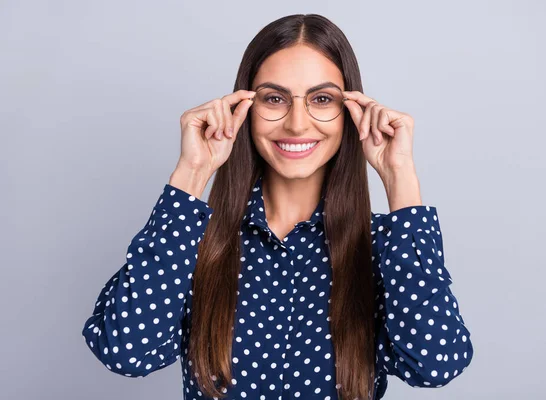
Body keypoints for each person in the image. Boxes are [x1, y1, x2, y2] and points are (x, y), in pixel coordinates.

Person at [81, 13, 473, 400]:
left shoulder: (386, 246)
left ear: (352, 112)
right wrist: (191, 173)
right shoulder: (194, 239)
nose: (297, 124)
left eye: (322, 99)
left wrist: (400, 176)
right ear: (245, 108)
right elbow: (127, 352)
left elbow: (434, 364)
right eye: (274, 98)